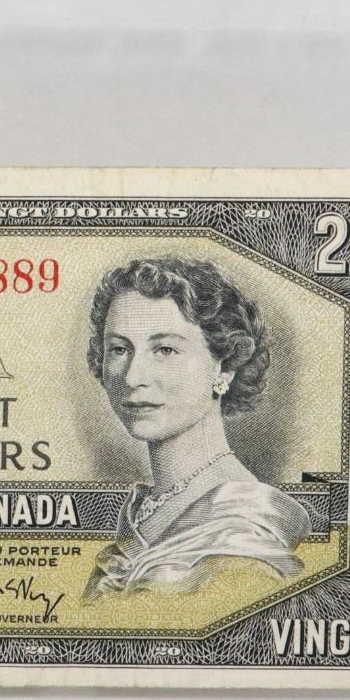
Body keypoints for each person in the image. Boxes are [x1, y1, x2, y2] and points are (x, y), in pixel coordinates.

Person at [85, 256, 309, 597]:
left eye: (164, 349)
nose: (132, 377)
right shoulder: (144, 511)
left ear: (225, 367)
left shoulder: (240, 535)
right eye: (119, 349)